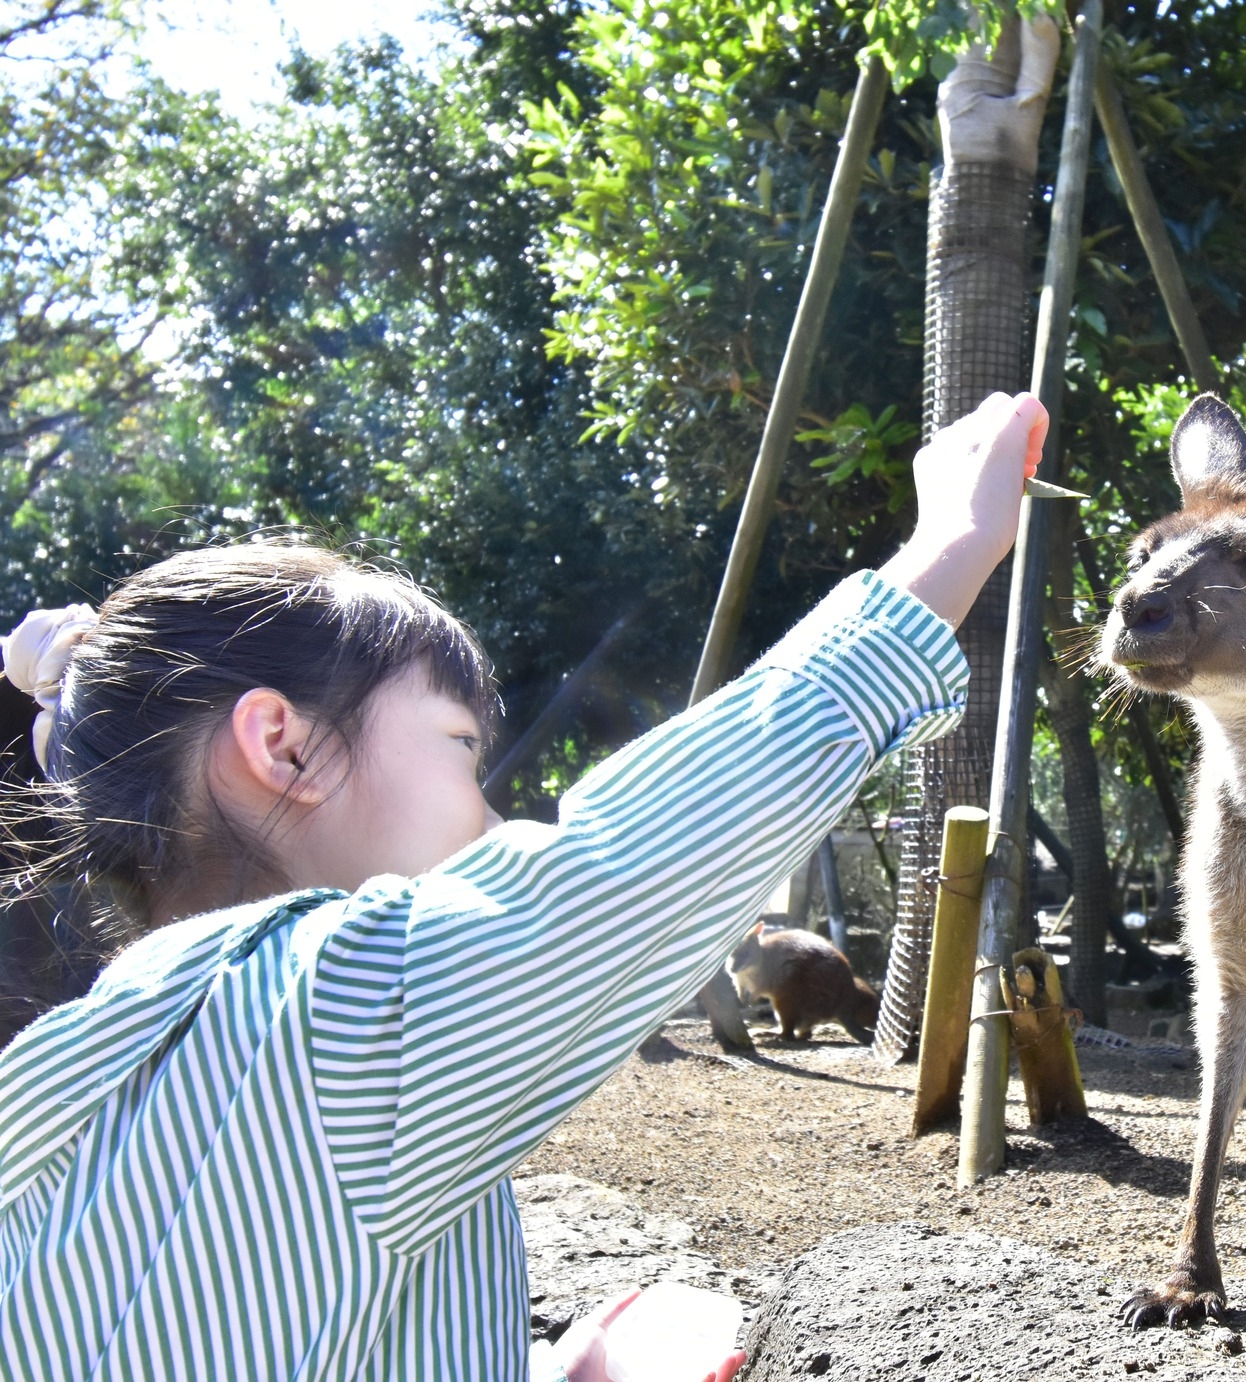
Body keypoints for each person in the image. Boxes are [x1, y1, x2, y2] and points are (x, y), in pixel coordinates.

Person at [0, 392, 1047, 1381]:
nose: (492, 816)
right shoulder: (328, 1015)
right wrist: (950, 548)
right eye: (459, 742)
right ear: (287, 746)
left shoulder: (84, 1079)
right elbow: (628, 861)